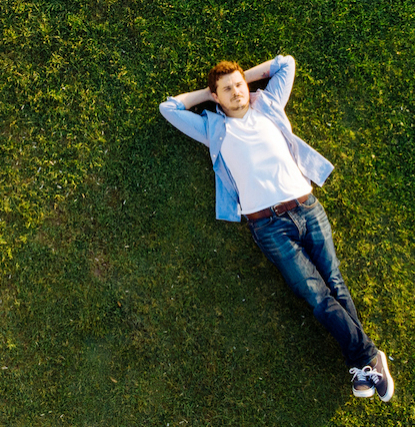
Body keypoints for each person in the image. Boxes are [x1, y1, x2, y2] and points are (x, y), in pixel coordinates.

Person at [158, 55, 395, 401]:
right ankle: (369, 358)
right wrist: (206, 94)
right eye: (227, 89)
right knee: (316, 296)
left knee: (335, 283)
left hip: (307, 207)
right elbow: (170, 108)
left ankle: (365, 361)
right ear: (216, 97)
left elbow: (285, 64)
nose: (237, 91)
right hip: (267, 226)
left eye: (239, 85)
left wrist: (245, 78)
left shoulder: (267, 105)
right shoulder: (212, 129)